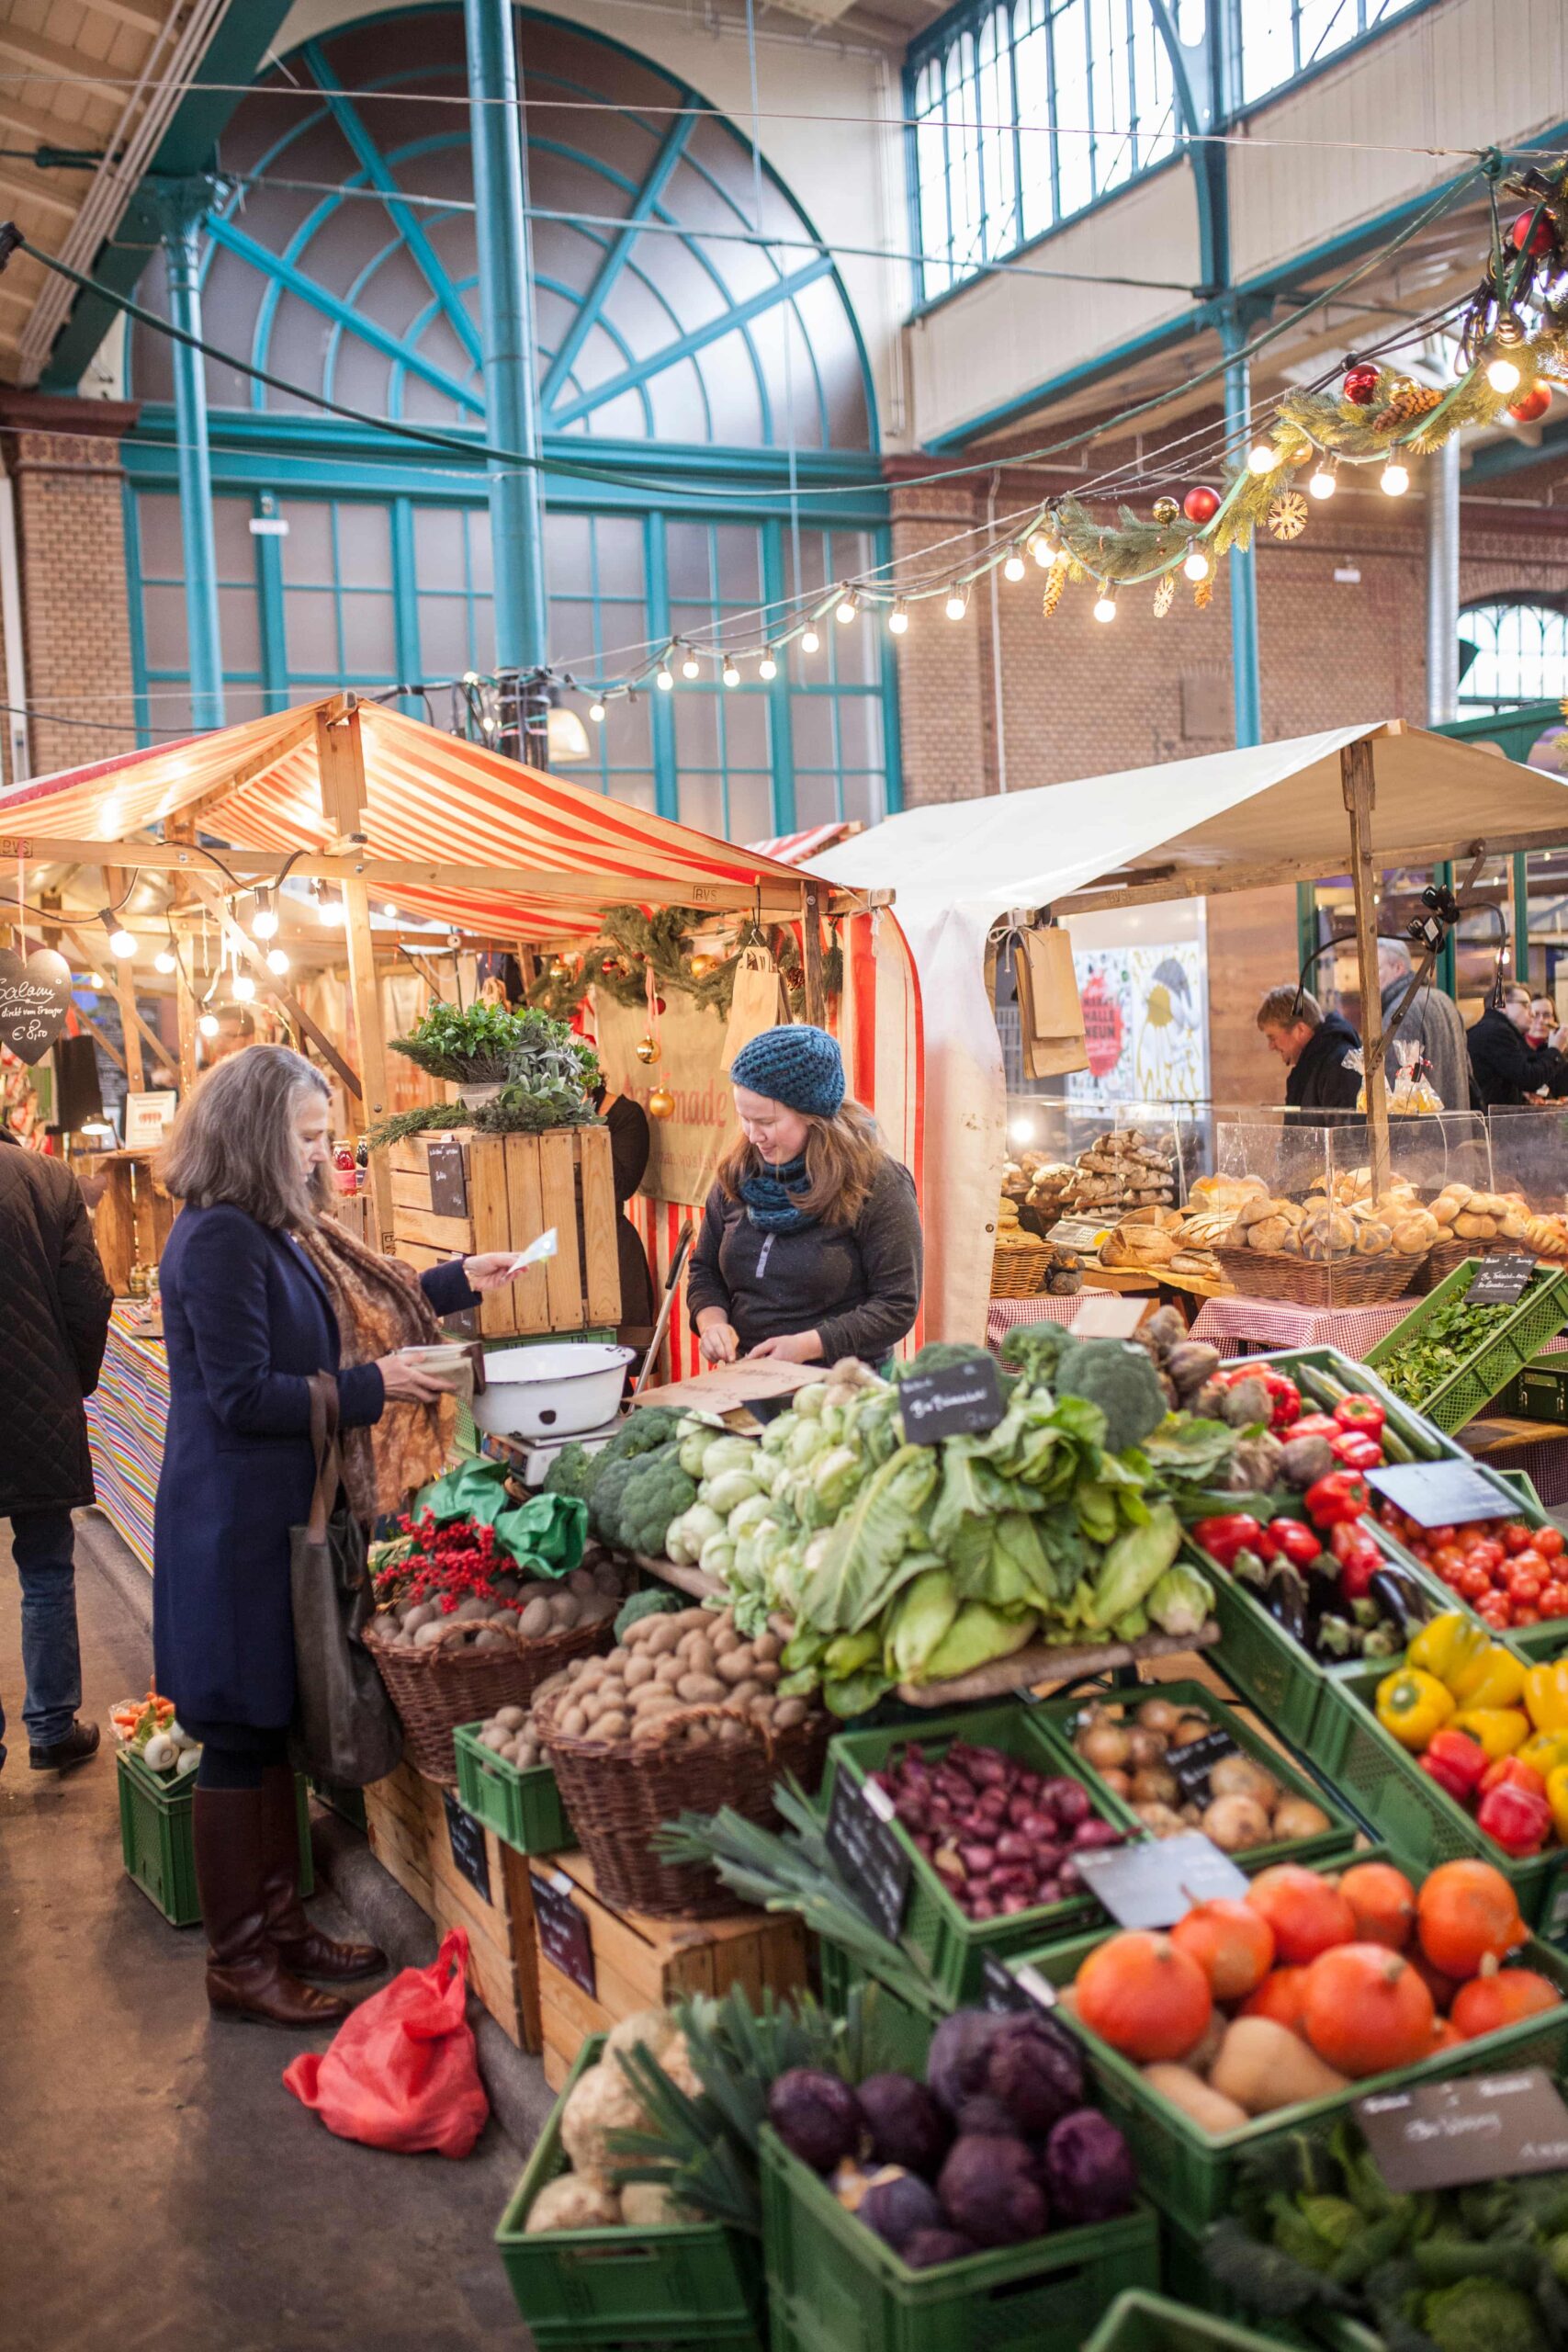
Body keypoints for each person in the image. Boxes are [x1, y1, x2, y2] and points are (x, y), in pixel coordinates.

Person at [153, 1046, 540, 2029]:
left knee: (267, 1728)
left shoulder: (276, 1228)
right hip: (233, 1529)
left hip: (278, 1514)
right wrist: (381, 1386)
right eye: (309, 1137)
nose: (324, 1156)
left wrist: (453, 1280)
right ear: (253, 1134)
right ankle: (240, 1960)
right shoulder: (220, 1240)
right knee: (238, 1739)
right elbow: (244, 1396)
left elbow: (348, 1308)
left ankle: (281, 1928)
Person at [688, 1023, 921, 1367]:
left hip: (842, 1388)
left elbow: (896, 1304)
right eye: (744, 1118)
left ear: (814, 1116)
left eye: (766, 1121)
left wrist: (810, 1345)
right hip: (745, 1378)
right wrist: (713, 1325)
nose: (753, 1136)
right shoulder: (737, 1174)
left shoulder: (876, 1182)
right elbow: (705, 1271)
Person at [0, 1123, 112, 1775]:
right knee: (44, 1568)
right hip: (37, 1405)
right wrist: (70, 1383)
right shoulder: (49, 1179)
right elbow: (88, 1298)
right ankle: (51, 1726)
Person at [592, 1079, 657, 1344]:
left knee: (618, 1350)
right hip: (561, 1243)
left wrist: (589, 1127)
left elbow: (620, 1187)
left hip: (609, 1241)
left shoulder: (626, 1116)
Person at [1377, 940, 1469, 1111]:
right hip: (1456, 1125)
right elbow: (1468, 1070)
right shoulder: (1444, 1000)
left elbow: (1394, 1088)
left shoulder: (1401, 1011)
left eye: (1376, 969)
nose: (1370, 978)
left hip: (1422, 1132)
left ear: (1398, 968)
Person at [1256, 986, 1362, 1114]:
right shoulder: (1306, 1069)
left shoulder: (1339, 1065)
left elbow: (1347, 1131)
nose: (1271, 1046)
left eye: (1273, 1038)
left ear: (1300, 1030)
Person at [1468, 981, 1542, 1110]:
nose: (1533, 1013)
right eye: (1526, 1005)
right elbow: (1528, 1078)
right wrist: (1556, 1051)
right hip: (1492, 1123)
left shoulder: (1491, 1029)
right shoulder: (1497, 1031)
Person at [1527, 994, 1568, 1100]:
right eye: (1535, 1015)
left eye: (1547, 1015)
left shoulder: (1563, 1053)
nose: (1541, 1021)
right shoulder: (1516, 1050)